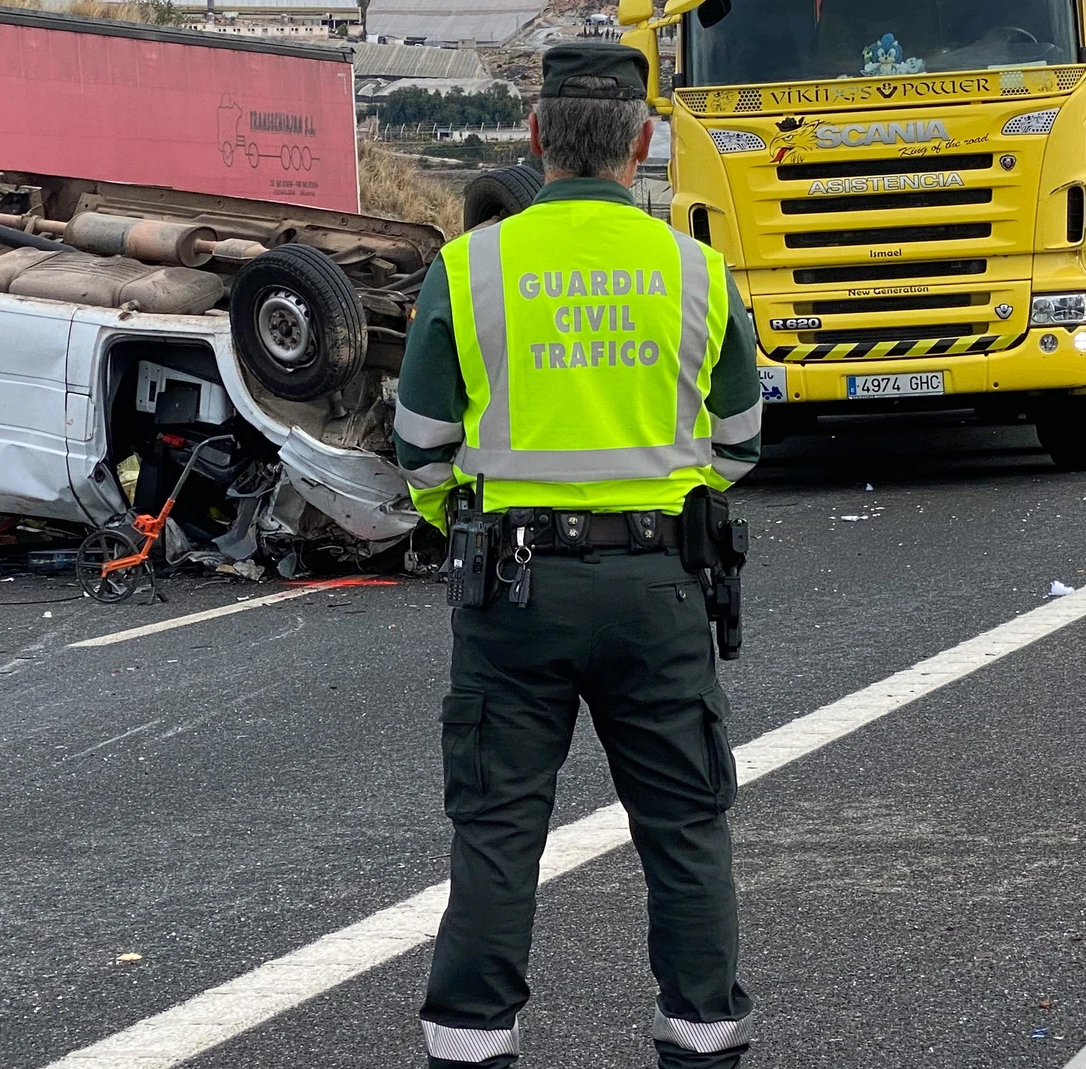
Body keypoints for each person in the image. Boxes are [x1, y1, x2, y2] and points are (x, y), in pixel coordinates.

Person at [393, 41, 762, 1069]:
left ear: (535, 137)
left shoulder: (468, 270)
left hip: (512, 587)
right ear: (642, 143)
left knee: (499, 830)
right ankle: (700, 1036)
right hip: (659, 584)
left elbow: (419, 448)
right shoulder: (694, 271)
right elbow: (737, 444)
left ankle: (470, 1043)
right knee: (684, 824)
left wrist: (465, 516)